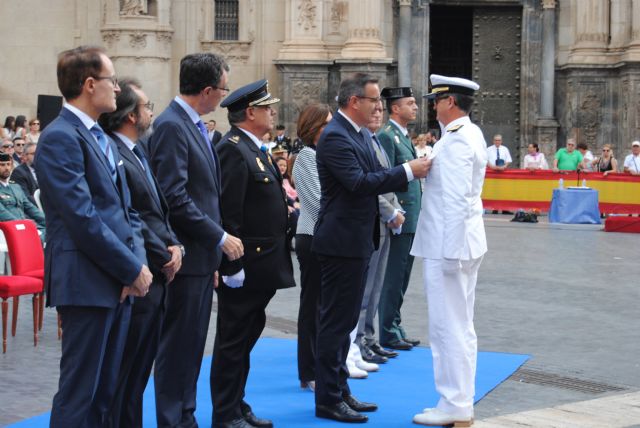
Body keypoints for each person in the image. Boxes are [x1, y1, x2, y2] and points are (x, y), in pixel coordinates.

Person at [35, 45, 152, 427]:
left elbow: (125, 209)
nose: (117, 89)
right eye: (111, 80)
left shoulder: (98, 136)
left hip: (114, 278)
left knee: (105, 392)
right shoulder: (60, 137)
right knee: (80, 393)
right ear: (89, 84)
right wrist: (129, 267)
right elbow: (81, 217)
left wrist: (133, 266)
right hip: (86, 280)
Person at [312, 72, 431, 423]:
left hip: (357, 240)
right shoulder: (335, 137)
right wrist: (408, 170)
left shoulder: (358, 134)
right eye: (373, 100)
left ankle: (340, 390)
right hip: (340, 243)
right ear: (353, 102)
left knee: (347, 320)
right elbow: (359, 182)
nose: (379, 106)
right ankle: (328, 399)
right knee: (335, 324)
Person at [148, 52, 244, 428]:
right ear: (206, 90)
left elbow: (204, 193)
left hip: (201, 260)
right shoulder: (173, 126)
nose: (223, 95)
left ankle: (185, 416)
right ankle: (174, 419)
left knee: (191, 348)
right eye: (223, 88)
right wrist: (218, 237)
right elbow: (174, 196)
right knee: (177, 348)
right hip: (185, 258)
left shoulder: (193, 125)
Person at [99, 78, 184, 428]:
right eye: (147, 106)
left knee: (138, 373)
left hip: (157, 272)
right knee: (124, 371)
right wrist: (163, 252)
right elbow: (128, 213)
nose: (152, 111)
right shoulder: (116, 153)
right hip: (141, 273)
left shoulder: (139, 152)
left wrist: (175, 243)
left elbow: (157, 211)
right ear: (132, 116)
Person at [212, 79, 296, 428]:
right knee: (233, 340)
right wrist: (232, 265)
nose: (273, 112)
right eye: (267, 107)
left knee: (247, 334)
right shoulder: (233, 148)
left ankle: (238, 403)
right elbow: (228, 211)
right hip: (245, 265)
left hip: (264, 262)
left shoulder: (254, 147)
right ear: (250, 112)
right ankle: (225, 413)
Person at [410, 74, 487, 427]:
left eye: (437, 100)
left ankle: (454, 402)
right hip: (454, 242)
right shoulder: (465, 134)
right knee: (459, 324)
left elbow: (457, 200)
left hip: (449, 245)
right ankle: (457, 399)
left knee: (447, 325)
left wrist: (453, 253)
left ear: (450, 102)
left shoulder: (457, 140)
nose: (433, 105)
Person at [356, 99, 402, 365]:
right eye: (372, 109)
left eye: (380, 110)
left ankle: (370, 339)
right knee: (365, 288)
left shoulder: (376, 142)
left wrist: (396, 210)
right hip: (375, 219)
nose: (377, 114)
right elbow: (367, 185)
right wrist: (391, 212)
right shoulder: (362, 143)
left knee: (376, 287)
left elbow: (389, 181)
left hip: (386, 221)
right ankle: (359, 340)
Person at [377, 86, 422, 351]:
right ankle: (387, 331)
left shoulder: (402, 135)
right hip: (400, 217)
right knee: (393, 276)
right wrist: (394, 212)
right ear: (396, 108)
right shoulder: (387, 136)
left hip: (411, 217)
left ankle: (395, 324)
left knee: (403, 275)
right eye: (410, 103)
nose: (415, 107)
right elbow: (387, 178)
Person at [292, 103, 332, 393]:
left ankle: (321, 364)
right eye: (326, 125)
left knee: (324, 306)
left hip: (327, 236)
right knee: (313, 305)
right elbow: (317, 202)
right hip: (312, 236)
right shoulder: (306, 157)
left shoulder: (324, 155)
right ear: (313, 129)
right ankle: (308, 368)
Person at [0, 152, 45, 238]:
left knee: (51, 232)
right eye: (2, 165)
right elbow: (3, 214)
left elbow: (30, 208)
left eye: (8, 164)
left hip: (24, 226)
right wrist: (25, 226)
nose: (6, 168)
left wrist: (48, 223)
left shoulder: (16, 187)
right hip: (9, 230)